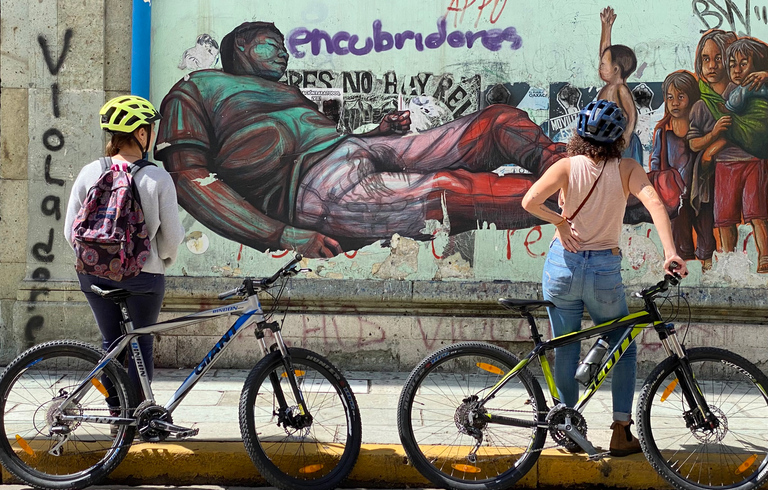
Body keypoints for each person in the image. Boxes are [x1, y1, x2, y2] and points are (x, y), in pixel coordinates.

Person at [155, 21, 568, 257]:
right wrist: (284, 235)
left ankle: (570, 172)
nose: (284, 54)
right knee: (450, 191)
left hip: (356, 150)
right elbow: (190, 181)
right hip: (314, 189)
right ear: (241, 46)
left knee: (496, 121)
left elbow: (318, 139)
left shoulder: (286, 92)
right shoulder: (195, 90)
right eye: (273, 44)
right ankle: (591, 201)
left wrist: (376, 134)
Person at [521, 99, 688, 457]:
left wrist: (560, 222)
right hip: (603, 272)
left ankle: (567, 428)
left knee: (565, 347)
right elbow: (655, 204)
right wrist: (670, 251)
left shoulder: (565, 166)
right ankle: (620, 431)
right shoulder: (627, 168)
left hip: (562, 266)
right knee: (621, 347)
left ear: (580, 133)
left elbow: (530, 201)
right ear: (619, 138)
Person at [64, 95, 185, 401]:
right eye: (150, 129)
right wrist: (160, 262)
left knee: (111, 343)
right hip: (143, 276)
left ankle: (117, 416)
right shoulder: (157, 177)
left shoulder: (90, 171)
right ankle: (139, 413)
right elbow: (172, 238)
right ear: (141, 134)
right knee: (140, 343)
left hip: (93, 275)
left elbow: (71, 232)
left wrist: (98, 260)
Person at [688, 30, 768, 271]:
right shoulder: (702, 104)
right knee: (724, 217)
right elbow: (694, 142)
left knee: (757, 213)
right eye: (705, 59)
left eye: (718, 58)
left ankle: (764, 258)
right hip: (724, 167)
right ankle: (728, 261)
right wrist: (712, 139)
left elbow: (754, 126)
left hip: (752, 160)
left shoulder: (750, 86)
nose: (712, 66)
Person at [651, 70, 715, 271]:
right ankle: (682, 272)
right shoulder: (663, 131)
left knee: (705, 232)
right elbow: (655, 160)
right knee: (680, 236)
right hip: (675, 197)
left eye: (681, 97)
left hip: (701, 191)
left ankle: (708, 270)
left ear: (692, 98)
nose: (675, 102)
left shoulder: (700, 128)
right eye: (670, 98)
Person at [597, 6, 642, 164]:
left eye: (603, 65)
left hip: (621, 141)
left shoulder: (620, 89)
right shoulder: (609, 85)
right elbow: (606, 52)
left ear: (616, 70)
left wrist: (627, 136)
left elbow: (632, 115)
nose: (600, 67)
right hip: (607, 139)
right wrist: (606, 28)